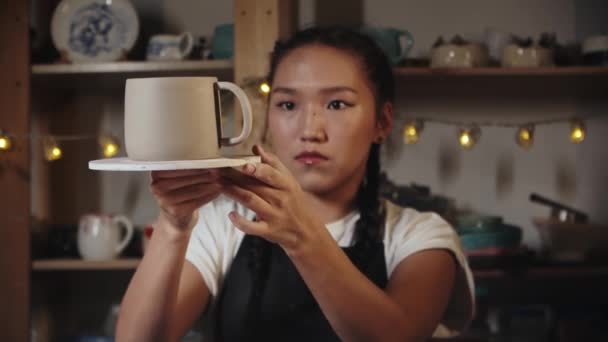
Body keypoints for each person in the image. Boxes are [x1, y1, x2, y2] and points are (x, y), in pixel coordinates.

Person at [116, 26, 474, 342]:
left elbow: (396, 336)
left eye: (337, 103)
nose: (309, 130)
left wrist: (300, 235)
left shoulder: (421, 236)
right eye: (288, 104)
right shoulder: (222, 223)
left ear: (382, 122)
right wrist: (174, 225)